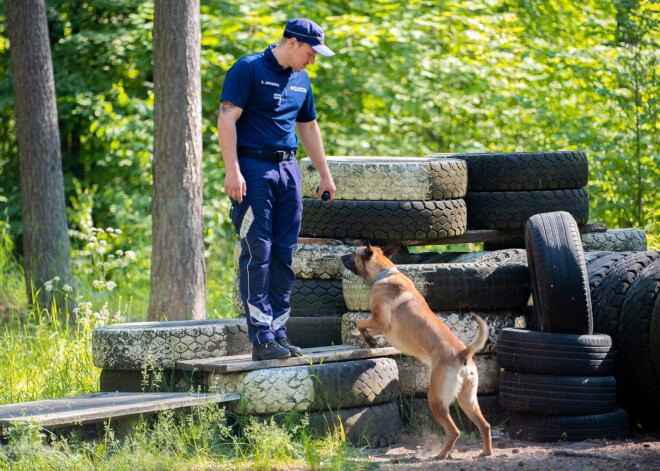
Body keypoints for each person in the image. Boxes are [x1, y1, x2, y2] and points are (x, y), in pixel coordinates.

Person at [217, 18, 337, 361]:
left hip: (289, 169)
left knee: (285, 253)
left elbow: (308, 125)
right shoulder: (248, 69)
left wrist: (324, 174)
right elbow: (226, 119)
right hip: (253, 169)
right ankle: (261, 337)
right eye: (312, 52)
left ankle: (279, 332)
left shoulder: (302, 78)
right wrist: (232, 170)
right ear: (293, 43)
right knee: (259, 252)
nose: (313, 59)